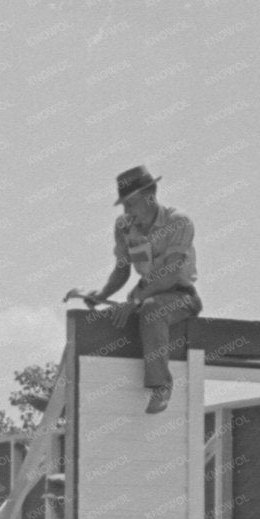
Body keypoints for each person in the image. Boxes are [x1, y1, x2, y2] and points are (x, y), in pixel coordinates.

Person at [64, 165, 202, 415]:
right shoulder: (125, 227)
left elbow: (169, 273)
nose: (126, 211)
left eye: (130, 204)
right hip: (145, 296)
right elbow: (122, 269)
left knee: (152, 310)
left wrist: (135, 298)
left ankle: (161, 387)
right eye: (124, 206)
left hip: (180, 296)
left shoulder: (178, 221)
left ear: (149, 197)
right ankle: (65, 398)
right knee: (102, 321)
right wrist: (103, 294)